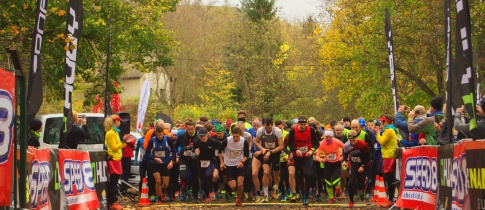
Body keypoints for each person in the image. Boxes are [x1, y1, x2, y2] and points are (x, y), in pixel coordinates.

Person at [287, 115, 319, 205]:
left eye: (304, 124)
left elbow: (317, 143)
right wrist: (295, 150)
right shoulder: (293, 131)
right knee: (299, 175)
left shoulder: (311, 130)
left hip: (307, 154)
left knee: (308, 174)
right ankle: (302, 192)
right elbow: (289, 144)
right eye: (301, 124)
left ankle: (306, 195)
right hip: (298, 156)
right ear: (298, 124)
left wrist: (312, 150)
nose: (303, 126)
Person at [105, 114, 134, 210]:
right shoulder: (110, 133)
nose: (120, 123)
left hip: (117, 159)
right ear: (115, 121)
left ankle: (114, 201)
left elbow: (118, 146)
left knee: (115, 181)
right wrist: (124, 142)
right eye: (119, 121)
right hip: (114, 160)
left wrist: (123, 142)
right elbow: (114, 147)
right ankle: (112, 202)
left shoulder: (115, 132)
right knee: (113, 182)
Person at [252, 117, 284, 202]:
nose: (268, 130)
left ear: (272, 125)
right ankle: (265, 195)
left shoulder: (277, 131)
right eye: (266, 128)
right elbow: (257, 142)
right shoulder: (260, 131)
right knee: (266, 172)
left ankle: (276, 187)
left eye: (269, 128)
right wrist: (262, 149)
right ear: (263, 125)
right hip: (265, 152)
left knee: (276, 174)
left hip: (275, 152)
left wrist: (271, 151)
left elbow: (281, 146)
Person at [218, 126, 249, 207]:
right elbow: (219, 151)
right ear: (231, 134)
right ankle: (232, 190)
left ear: (240, 135)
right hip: (229, 164)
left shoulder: (244, 141)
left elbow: (246, 155)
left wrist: (242, 161)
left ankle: (238, 199)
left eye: (237, 136)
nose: (235, 139)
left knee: (240, 184)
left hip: (239, 164)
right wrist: (222, 162)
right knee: (233, 186)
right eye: (234, 136)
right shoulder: (227, 140)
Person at [146, 124, 176, 203]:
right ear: (156, 133)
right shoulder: (152, 141)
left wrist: (171, 161)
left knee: (166, 184)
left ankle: (161, 191)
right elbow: (147, 154)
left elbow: (174, 151)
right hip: (155, 163)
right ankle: (159, 198)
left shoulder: (168, 140)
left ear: (163, 133)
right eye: (158, 135)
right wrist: (154, 158)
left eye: (161, 134)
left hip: (165, 163)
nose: (160, 136)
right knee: (158, 181)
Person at [343, 130, 371, 208]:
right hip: (354, 164)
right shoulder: (346, 145)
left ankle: (364, 183)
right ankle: (351, 200)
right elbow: (345, 153)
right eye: (351, 141)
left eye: (354, 141)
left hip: (364, 163)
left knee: (359, 185)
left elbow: (369, 156)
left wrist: (363, 166)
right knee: (351, 182)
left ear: (357, 138)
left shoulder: (363, 145)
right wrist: (345, 161)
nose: (352, 143)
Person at [193, 128, 221, 203]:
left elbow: (222, 145)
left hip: (211, 161)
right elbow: (193, 156)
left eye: (203, 136)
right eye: (200, 136)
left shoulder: (212, 141)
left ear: (207, 135)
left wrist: (220, 154)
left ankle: (212, 191)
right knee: (202, 179)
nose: (202, 138)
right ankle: (207, 195)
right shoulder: (196, 143)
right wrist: (196, 154)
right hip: (201, 162)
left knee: (208, 175)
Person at [316, 129, 345, 204]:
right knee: (328, 182)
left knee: (335, 180)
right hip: (327, 164)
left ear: (332, 136)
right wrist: (321, 160)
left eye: (330, 137)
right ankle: (331, 198)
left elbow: (345, 148)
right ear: (324, 137)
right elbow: (317, 156)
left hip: (337, 163)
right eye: (327, 137)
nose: (328, 139)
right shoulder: (322, 143)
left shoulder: (336, 141)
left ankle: (338, 188)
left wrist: (343, 157)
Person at [175, 121, 200, 202]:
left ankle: (195, 196)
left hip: (194, 160)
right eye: (188, 129)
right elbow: (175, 146)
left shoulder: (198, 136)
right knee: (183, 176)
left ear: (194, 128)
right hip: (184, 159)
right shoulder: (182, 136)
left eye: (192, 129)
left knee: (195, 178)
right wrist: (176, 156)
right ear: (186, 128)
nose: (190, 131)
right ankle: (184, 188)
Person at [375, 114, 397, 208]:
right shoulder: (387, 130)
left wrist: (377, 133)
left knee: (390, 179)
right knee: (388, 178)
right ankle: (390, 198)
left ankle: (391, 199)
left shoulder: (389, 130)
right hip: (386, 156)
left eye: (382, 122)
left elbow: (382, 141)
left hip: (390, 156)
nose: (381, 123)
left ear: (387, 122)